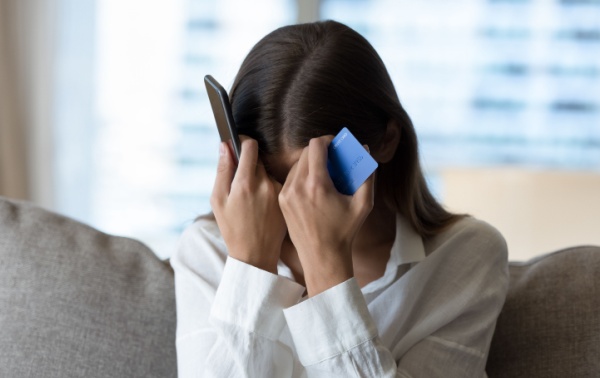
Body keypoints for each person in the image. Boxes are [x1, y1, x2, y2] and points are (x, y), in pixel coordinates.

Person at [171, 20, 509, 377]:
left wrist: (327, 273)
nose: (290, 203)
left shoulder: (466, 256)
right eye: (272, 178)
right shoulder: (206, 251)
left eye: (313, 181)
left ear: (386, 141)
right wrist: (251, 267)